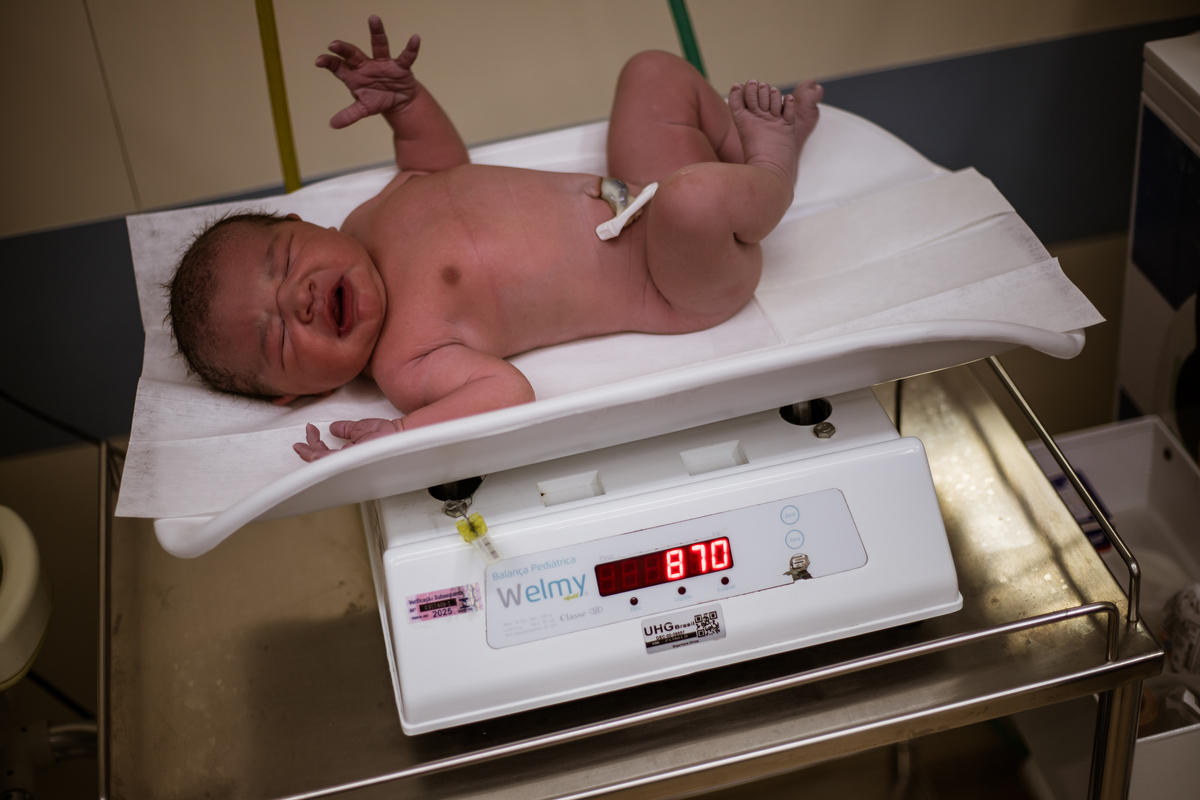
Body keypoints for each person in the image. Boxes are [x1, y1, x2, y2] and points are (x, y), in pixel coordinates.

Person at [166, 16, 823, 462]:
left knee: (652, 71)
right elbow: (505, 391)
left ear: (303, 225)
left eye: (284, 262)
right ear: (296, 393)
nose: (298, 300)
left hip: (638, 192)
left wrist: (407, 106)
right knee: (693, 200)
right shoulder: (405, 361)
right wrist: (401, 433)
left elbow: (438, 164)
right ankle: (771, 168)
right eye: (278, 336)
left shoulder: (370, 217)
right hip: (678, 280)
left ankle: (738, 151)